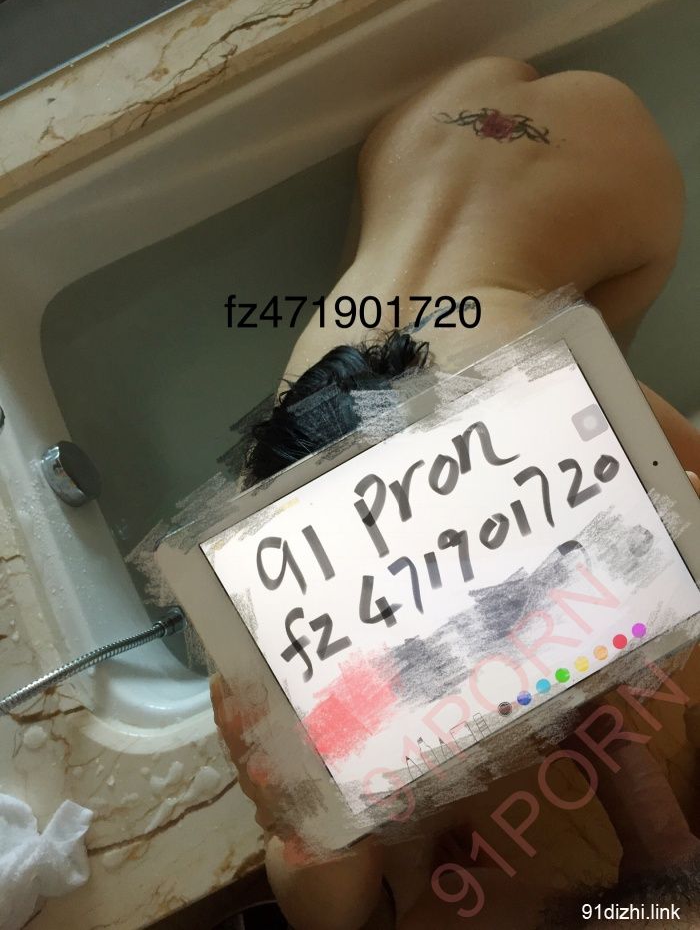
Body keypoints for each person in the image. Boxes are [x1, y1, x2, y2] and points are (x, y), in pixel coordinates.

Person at [212, 57, 700, 928]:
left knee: (583, 365)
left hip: (468, 144)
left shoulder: (567, 405)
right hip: (441, 150)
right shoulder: (289, 575)